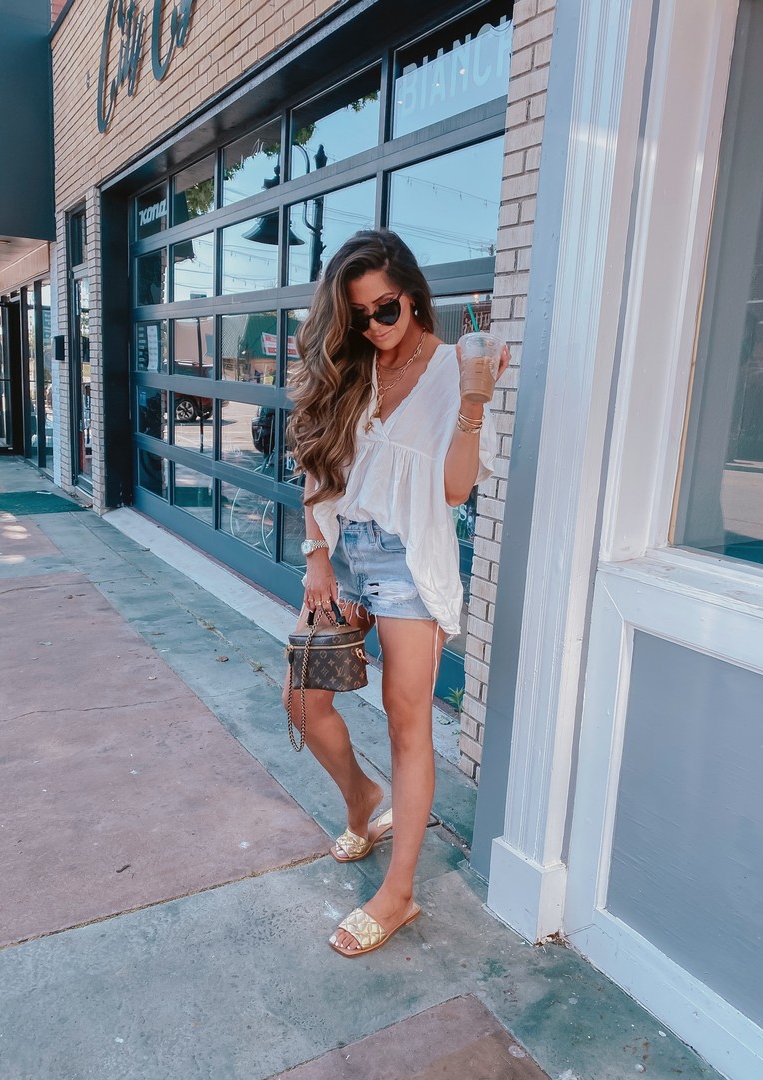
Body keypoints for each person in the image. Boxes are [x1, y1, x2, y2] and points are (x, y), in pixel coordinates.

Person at [283, 229, 509, 957]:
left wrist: (474, 403)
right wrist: (317, 554)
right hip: (343, 552)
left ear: (411, 295)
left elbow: (453, 487)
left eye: (385, 310)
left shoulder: (452, 368)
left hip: (409, 563)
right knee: (303, 701)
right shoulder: (351, 371)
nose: (375, 328)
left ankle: (401, 892)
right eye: (358, 317)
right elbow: (319, 467)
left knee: (406, 724)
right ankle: (362, 799)